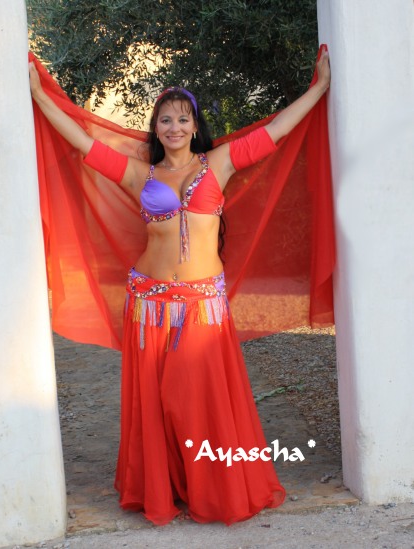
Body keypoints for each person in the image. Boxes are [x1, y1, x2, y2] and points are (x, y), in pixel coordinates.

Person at [29, 48, 331, 525]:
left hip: (202, 304)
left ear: (195, 126)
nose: (174, 127)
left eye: (182, 119)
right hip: (149, 301)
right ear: (156, 128)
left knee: (196, 398)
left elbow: (276, 132)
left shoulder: (220, 164)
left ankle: (211, 488)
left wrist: (318, 90)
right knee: (158, 404)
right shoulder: (140, 175)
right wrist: (41, 98)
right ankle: (165, 487)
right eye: (165, 120)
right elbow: (84, 145)